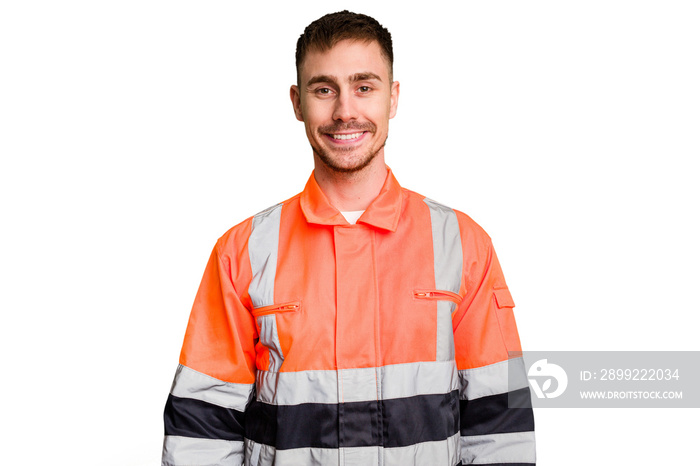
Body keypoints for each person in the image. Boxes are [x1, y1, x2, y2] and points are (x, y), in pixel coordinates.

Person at [162, 10, 535, 466]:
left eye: (364, 86)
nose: (345, 111)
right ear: (297, 103)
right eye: (324, 89)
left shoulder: (462, 244)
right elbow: (202, 429)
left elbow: (499, 425)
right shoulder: (242, 252)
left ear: (392, 98)